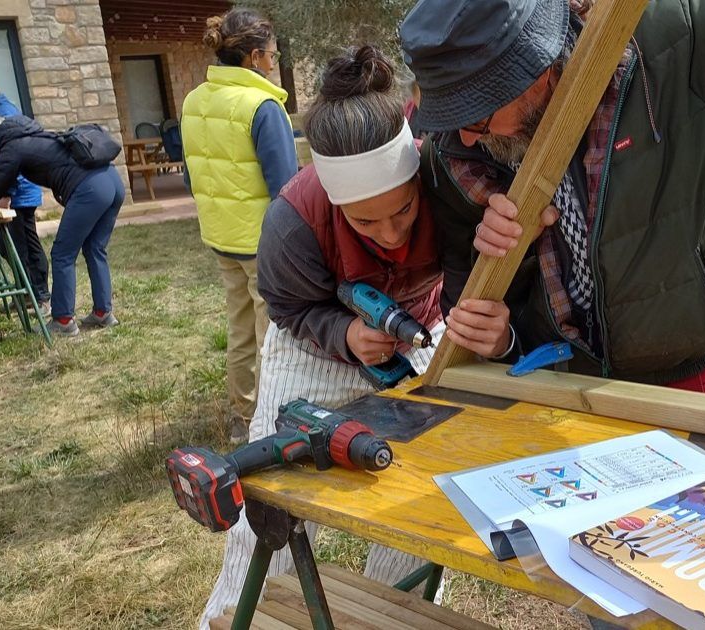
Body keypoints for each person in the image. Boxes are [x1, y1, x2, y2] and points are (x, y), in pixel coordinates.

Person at [401, 0, 705, 393]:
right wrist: (504, 328)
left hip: (678, 369)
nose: (463, 137)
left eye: (477, 114)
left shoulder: (687, 42)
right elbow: (469, 305)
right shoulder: (459, 152)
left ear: (539, 69)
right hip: (550, 381)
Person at [200, 46, 495, 629]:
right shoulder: (293, 220)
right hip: (311, 344)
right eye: (365, 222)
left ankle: (394, 609)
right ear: (335, 202)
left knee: (419, 488)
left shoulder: (445, 184)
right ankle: (242, 613)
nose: (389, 234)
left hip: (417, 327)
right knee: (269, 499)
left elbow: (465, 281)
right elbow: (286, 306)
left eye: (403, 212)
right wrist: (342, 331)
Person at [182, 7, 298, 443]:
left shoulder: (194, 100)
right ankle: (269, 418)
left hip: (221, 236)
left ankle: (241, 415)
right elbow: (286, 189)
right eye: (271, 54)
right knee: (272, 335)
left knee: (239, 326)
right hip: (263, 241)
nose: (275, 61)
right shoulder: (263, 106)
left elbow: (194, 174)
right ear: (252, 57)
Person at [0, 116, 124, 337]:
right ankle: (103, 312)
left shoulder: (13, 147)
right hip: (112, 181)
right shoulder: (35, 137)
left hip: (90, 189)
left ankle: (63, 320)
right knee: (95, 249)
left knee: (63, 253)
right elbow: (0, 177)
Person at [0, 68, 50, 313]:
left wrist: (5, 195)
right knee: (15, 245)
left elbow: (5, 162)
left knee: (21, 246)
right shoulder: (2, 109)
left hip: (17, 192)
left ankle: (39, 297)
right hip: (18, 190)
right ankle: (30, 293)